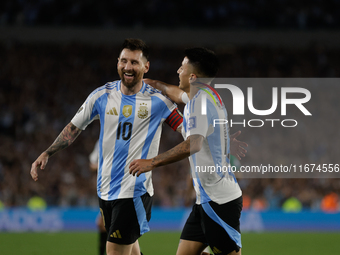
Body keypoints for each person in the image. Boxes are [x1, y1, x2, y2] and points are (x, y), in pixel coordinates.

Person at [30, 38, 183, 255]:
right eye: (124, 61)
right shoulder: (101, 96)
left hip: (133, 193)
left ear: (146, 66)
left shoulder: (159, 102)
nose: (128, 67)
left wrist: (155, 162)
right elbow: (73, 128)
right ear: (118, 62)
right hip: (105, 192)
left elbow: (191, 135)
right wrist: (47, 152)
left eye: (134, 62)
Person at [130, 48, 243, 255]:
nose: (177, 70)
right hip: (205, 200)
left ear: (192, 76)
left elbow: (194, 144)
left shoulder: (199, 102)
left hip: (219, 202)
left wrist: (151, 162)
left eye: (182, 67)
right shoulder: (206, 94)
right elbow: (178, 94)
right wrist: (155, 84)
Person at [89, 140, 108, 255]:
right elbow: (92, 164)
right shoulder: (101, 141)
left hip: (122, 187)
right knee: (102, 224)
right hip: (106, 187)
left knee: (105, 224)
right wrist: (106, 167)